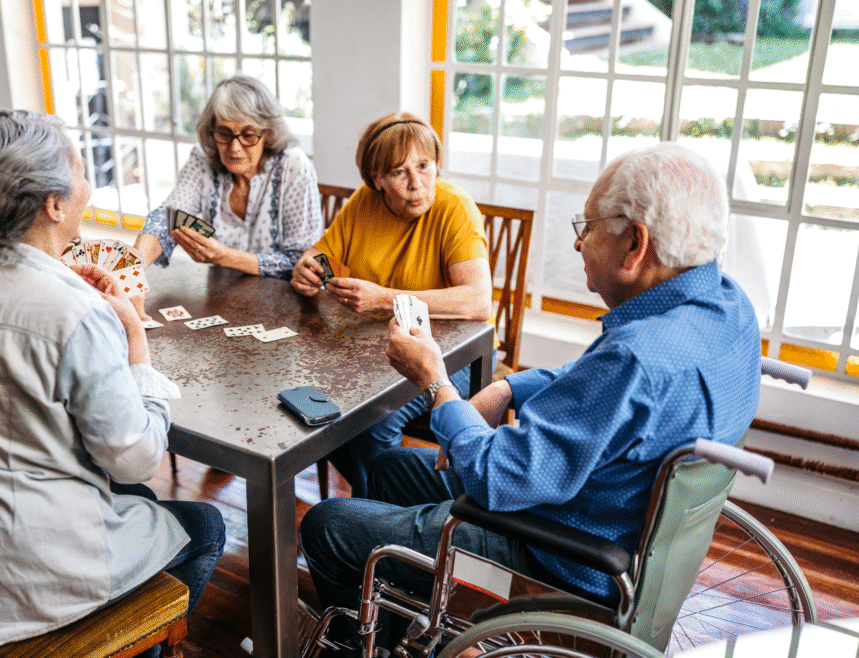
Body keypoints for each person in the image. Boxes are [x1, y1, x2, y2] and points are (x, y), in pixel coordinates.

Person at [299, 143, 762, 653]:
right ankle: (402, 601)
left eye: (587, 228)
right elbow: (598, 381)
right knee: (388, 468)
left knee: (326, 525)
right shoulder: (723, 303)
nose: (578, 244)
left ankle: (383, 624)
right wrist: (508, 385)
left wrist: (436, 382)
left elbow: (496, 479)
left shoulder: (637, 358)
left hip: (547, 559)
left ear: (635, 243)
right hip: (610, 522)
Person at [0, 110, 225, 653]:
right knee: (205, 527)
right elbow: (139, 462)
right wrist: (136, 349)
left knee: (116, 495)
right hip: (24, 572)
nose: (88, 185)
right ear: (54, 204)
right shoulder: (73, 311)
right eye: (81, 171)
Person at [290, 112, 492, 497]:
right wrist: (307, 269)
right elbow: (321, 257)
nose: (417, 184)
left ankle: (371, 511)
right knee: (317, 408)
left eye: (424, 166)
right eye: (400, 173)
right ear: (377, 179)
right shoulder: (364, 202)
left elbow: (478, 302)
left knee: (372, 421)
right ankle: (377, 500)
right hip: (374, 349)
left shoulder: (455, 207)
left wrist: (385, 299)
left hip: (459, 353)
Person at [133, 74, 322, 291]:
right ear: (211, 130)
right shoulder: (202, 159)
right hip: (221, 294)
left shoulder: (294, 165)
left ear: (268, 134)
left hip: (286, 297)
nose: (235, 147)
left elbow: (302, 263)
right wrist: (132, 269)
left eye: (248, 134)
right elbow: (168, 218)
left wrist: (224, 256)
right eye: (224, 133)